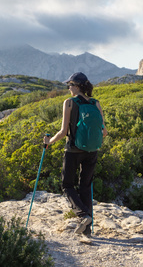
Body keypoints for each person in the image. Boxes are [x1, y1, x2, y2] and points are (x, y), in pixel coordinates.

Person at [43, 72, 108, 237]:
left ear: (77, 85)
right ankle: (86, 231)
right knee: (85, 187)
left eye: (70, 85)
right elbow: (104, 132)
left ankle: (83, 215)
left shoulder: (69, 103)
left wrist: (48, 142)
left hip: (73, 150)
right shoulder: (95, 103)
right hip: (92, 151)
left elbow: (64, 131)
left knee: (67, 185)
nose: (68, 88)